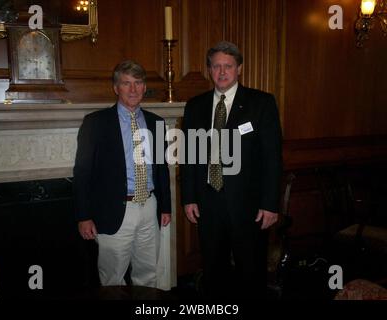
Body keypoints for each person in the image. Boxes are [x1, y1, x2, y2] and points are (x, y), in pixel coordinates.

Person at [180, 41, 282, 299]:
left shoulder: (261, 103)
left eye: (228, 66)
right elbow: (190, 156)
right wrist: (189, 197)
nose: (222, 72)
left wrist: (271, 204)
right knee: (214, 273)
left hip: (249, 207)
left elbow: (272, 158)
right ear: (209, 70)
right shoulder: (195, 106)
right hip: (208, 203)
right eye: (216, 66)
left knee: (251, 272)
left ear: (239, 69)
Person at [73, 60, 171, 288]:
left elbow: (161, 168)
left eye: (138, 83)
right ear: (116, 88)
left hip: (149, 207)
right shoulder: (95, 123)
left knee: (148, 274)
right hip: (113, 210)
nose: (133, 89)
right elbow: (82, 172)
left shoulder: (156, 122)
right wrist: (83, 216)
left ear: (145, 87)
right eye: (126, 83)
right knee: (112, 279)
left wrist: (165, 206)